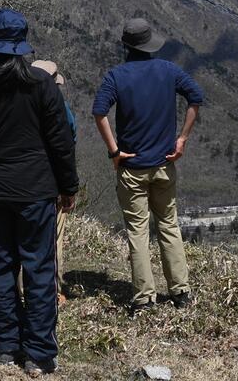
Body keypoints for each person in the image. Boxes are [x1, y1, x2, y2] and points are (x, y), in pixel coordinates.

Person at [0, 9, 78, 378]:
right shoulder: (40, 85)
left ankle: (7, 346)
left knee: (0, 268)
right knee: (39, 269)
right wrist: (67, 187)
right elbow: (60, 142)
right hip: (36, 189)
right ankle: (40, 353)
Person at [92, 17, 203, 317]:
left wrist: (114, 151)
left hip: (132, 168)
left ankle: (144, 297)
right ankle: (180, 291)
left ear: (126, 45)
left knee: (138, 233)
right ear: (150, 44)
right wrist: (182, 140)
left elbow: (99, 112)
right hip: (164, 165)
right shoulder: (168, 70)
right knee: (169, 224)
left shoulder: (116, 76)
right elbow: (196, 97)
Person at [26, 59, 77, 306]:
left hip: (24, 180)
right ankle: (52, 291)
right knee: (53, 238)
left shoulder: (20, 102)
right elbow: (68, 142)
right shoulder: (60, 107)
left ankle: (22, 291)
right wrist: (69, 187)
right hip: (52, 180)